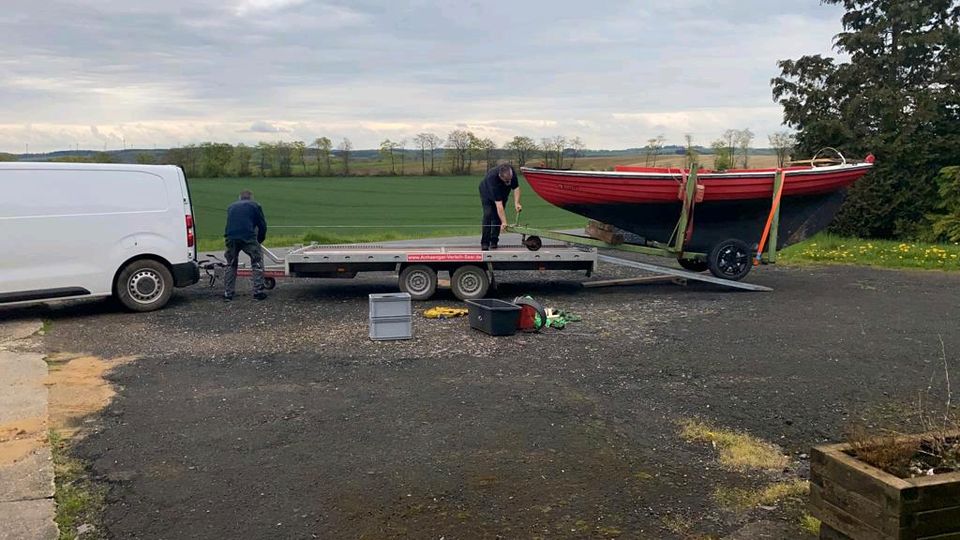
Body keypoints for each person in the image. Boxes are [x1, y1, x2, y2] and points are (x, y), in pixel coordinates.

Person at [223, 190, 268, 301]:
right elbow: (262, 225)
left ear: (240, 198)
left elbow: (229, 223)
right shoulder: (255, 205)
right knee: (256, 262)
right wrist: (260, 240)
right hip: (247, 236)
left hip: (231, 237)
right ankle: (258, 292)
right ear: (251, 198)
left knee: (231, 264)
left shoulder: (231, 207)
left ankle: (228, 294)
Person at [478, 163, 522, 250]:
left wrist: (517, 203)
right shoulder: (492, 179)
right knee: (488, 214)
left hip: (503, 193)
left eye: (510, 180)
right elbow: (499, 206)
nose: (509, 182)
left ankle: (494, 241)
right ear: (500, 176)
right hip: (486, 193)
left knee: (497, 217)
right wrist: (504, 222)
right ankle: (485, 242)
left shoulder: (511, 171)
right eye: (506, 181)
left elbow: (516, 188)